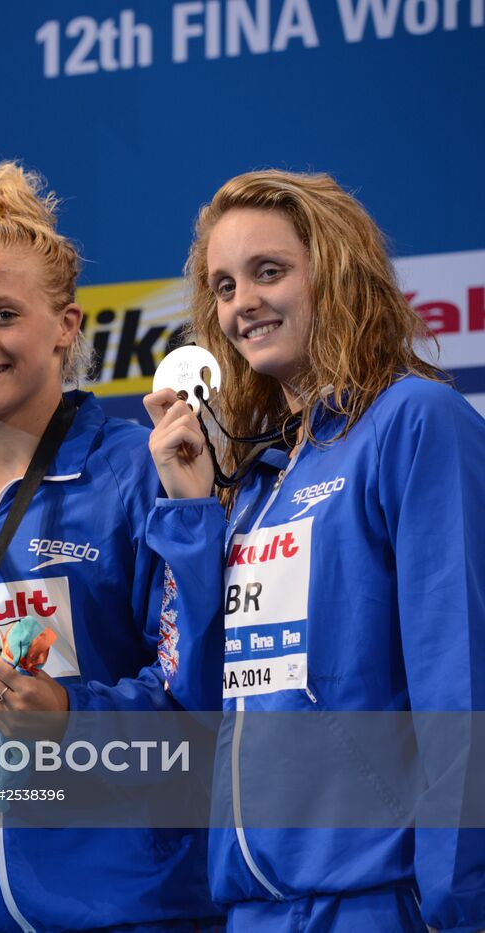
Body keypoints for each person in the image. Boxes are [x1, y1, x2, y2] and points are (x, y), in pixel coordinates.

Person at [0, 162, 221, 932]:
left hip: (135, 906)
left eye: (4, 314)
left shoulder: (138, 470)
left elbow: (197, 700)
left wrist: (70, 713)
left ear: (66, 325)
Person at [144, 169, 485, 931]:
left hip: (380, 898)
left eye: (270, 271)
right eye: (224, 286)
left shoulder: (414, 421)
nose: (243, 304)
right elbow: (201, 700)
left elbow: (459, 685)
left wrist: (460, 903)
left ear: (334, 272)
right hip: (254, 905)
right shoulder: (256, 476)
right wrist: (195, 514)